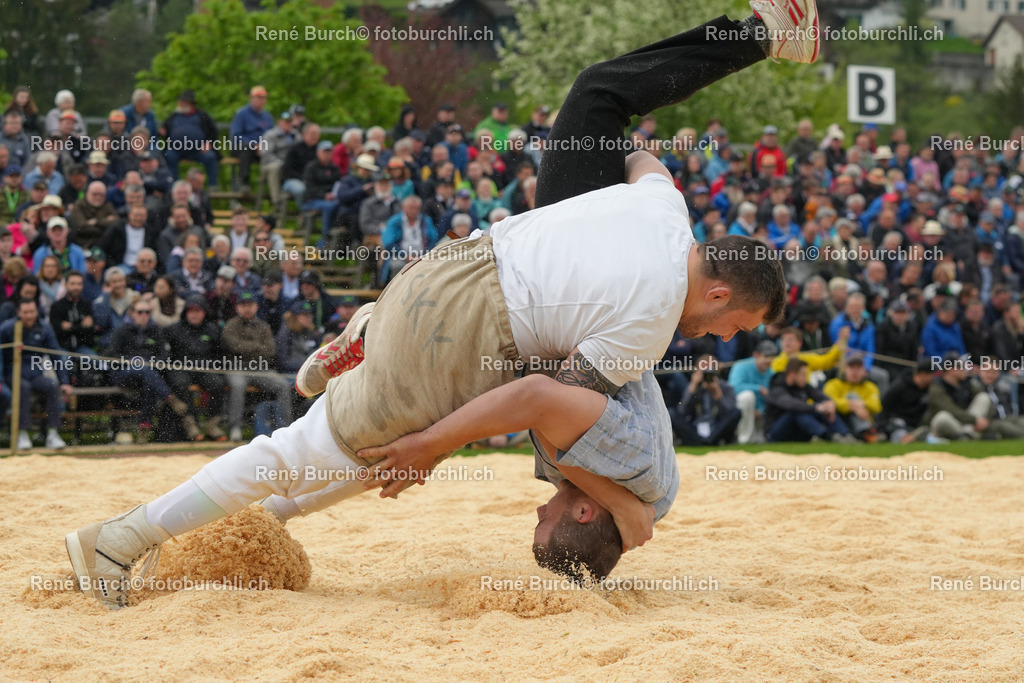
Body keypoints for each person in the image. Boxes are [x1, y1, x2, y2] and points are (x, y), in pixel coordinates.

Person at [65, 1, 815, 608]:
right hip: (462, 330)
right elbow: (537, 404)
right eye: (732, 325)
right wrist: (442, 447)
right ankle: (118, 538)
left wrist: (589, 207)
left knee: (598, 96)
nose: (721, 340)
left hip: (452, 261)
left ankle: (757, 34)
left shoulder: (664, 206)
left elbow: (641, 156)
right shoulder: (649, 329)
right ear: (717, 291)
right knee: (307, 451)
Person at [221, 291, 293, 441]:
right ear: (237, 307)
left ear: (256, 306)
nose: (247, 308)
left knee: (283, 386)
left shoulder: (263, 325)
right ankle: (235, 427)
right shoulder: (231, 325)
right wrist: (257, 346)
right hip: (236, 367)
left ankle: (284, 429)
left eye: (250, 305)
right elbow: (234, 346)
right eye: (243, 305)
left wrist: (248, 348)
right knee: (238, 386)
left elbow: (271, 350)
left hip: (261, 368)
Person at [0, 298, 70, 450]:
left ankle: (52, 433)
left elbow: (55, 355)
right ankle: (22, 433)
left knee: (52, 386)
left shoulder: (45, 328)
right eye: (25, 312)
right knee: (23, 388)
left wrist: (64, 381)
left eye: (32, 312)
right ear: (19, 312)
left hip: (35, 373)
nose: (29, 316)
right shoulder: (7, 328)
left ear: (36, 311)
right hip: (12, 373)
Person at [164, 295, 228, 441]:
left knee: (218, 384)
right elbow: (167, 355)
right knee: (180, 384)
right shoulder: (173, 330)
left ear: (204, 312)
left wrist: (213, 366)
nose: (194, 314)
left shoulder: (212, 329)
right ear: (185, 312)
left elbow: (219, 355)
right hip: (180, 368)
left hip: (204, 369)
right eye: (190, 311)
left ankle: (212, 425)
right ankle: (190, 424)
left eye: (198, 311)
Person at [765, 358, 856, 443]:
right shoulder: (776, 388)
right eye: (803, 374)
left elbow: (820, 396)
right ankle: (826, 436)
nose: (805, 378)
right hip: (775, 432)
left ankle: (845, 434)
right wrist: (816, 407)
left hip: (797, 431)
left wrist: (829, 403)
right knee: (797, 411)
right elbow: (792, 404)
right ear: (792, 374)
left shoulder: (802, 385)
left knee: (822, 405)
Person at [670, 354, 741, 446]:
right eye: (704, 371)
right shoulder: (693, 387)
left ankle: (710, 440)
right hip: (695, 428)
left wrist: (717, 394)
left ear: (717, 370)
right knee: (672, 413)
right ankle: (701, 441)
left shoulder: (726, 387)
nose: (707, 374)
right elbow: (682, 412)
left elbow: (728, 415)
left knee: (736, 412)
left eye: (710, 370)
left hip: (716, 429)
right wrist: (693, 388)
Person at [822, 353, 882, 441]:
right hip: (841, 420)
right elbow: (828, 401)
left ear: (864, 371)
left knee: (853, 397)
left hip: (864, 419)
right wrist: (852, 405)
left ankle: (863, 433)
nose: (855, 371)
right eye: (851, 367)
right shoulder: (833, 384)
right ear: (844, 369)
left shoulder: (871, 386)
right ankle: (866, 433)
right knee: (851, 396)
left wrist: (861, 404)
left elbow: (876, 406)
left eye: (858, 368)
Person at [729, 339, 777, 444]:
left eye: (771, 357)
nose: (769, 361)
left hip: (761, 414)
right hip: (737, 410)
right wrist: (758, 388)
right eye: (766, 356)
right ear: (756, 355)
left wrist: (760, 410)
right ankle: (743, 439)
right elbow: (733, 388)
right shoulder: (741, 366)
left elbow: (772, 397)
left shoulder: (771, 372)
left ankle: (761, 438)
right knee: (747, 396)